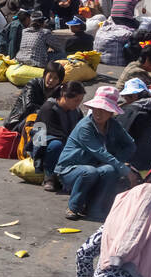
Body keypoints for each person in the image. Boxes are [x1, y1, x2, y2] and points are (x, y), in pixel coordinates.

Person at [55, 86, 138, 221]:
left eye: (103, 110)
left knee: (110, 169)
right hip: (70, 170)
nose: (98, 114)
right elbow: (100, 152)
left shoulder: (113, 125)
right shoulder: (85, 127)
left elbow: (130, 145)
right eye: (96, 110)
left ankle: (95, 207)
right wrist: (125, 170)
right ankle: (73, 207)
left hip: (97, 166)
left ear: (111, 112)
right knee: (89, 171)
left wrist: (120, 161)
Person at [35, 80, 85, 188]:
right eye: (76, 100)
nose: (78, 104)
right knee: (56, 144)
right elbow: (41, 134)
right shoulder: (48, 108)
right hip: (43, 144)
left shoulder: (76, 111)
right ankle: (49, 177)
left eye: (80, 101)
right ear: (64, 96)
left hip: (66, 141)